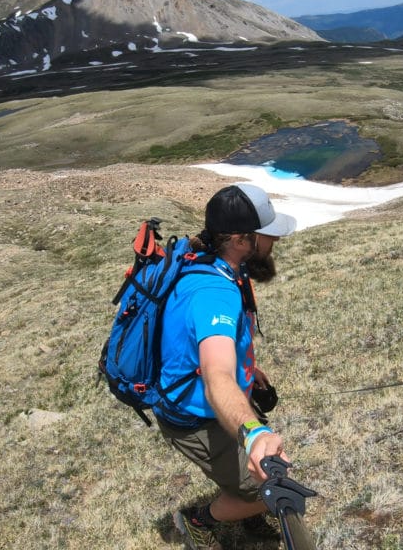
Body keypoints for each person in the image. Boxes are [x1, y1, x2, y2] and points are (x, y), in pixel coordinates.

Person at [156, 183, 296, 550]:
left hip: (201, 403)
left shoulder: (212, 263)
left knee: (255, 477)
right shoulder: (213, 293)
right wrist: (253, 434)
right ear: (240, 240)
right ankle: (197, 522)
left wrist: (249, 368)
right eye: (266, 235)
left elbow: (218, 353)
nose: (273, 243)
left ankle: (246, 513)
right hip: (195, 419)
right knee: (266, 488)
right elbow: (217, 376)